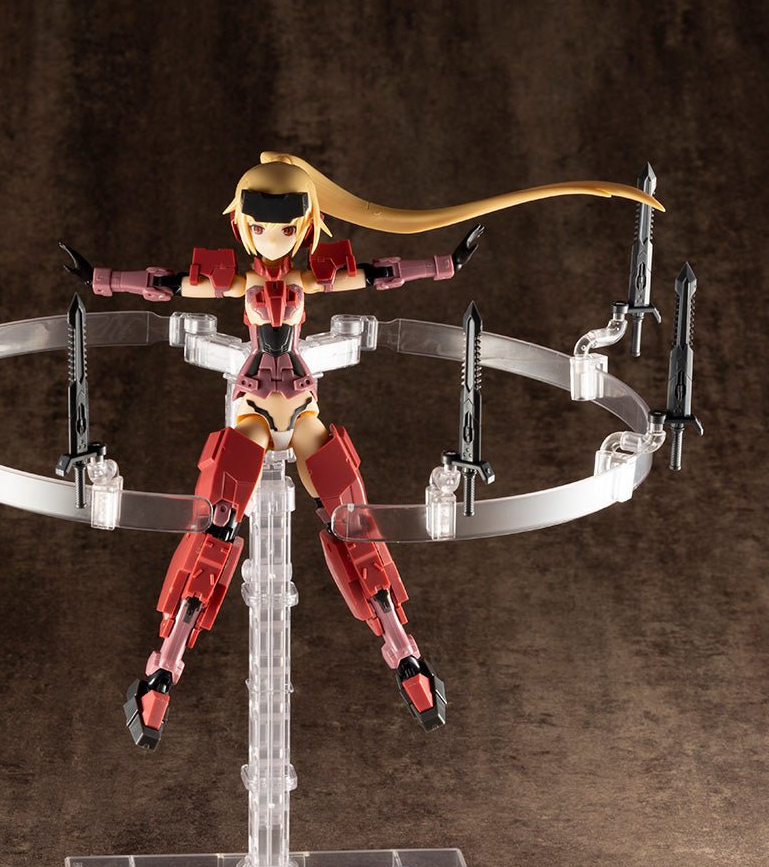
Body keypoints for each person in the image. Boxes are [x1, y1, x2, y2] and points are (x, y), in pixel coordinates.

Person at [62, 152, 662, 749]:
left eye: (286, 226)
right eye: (261, 224)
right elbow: (166, 283)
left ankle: (406, 654)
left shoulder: (307, 279)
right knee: (216, 521)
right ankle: (163, 669)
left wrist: (446, 264)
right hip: (252, 409)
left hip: (301, 409)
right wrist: (99, 278)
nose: (273, 236)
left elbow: (379, 273)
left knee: (352, 518)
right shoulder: (238, 281)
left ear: (305, 225)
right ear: (242, 223)